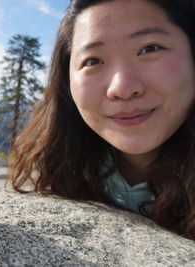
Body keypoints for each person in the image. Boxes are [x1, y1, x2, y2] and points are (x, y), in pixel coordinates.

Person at [10, 0, 195, 240]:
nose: (122, 88)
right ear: (67, 83)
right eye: (93, 61)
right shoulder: (65, 169)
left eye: (150, 48)